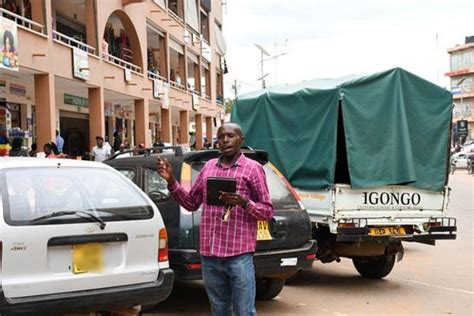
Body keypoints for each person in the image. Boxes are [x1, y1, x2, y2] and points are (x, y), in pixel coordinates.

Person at [157, 123, 273, 316]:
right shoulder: (209, 167)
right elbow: (191, 203)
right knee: (219, 310)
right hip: (210, 255)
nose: (225, 140)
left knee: (244, 311)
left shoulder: (253, 169)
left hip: (239, 254)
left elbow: (267, 211)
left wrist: (244, 203)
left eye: (230, 136)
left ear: (240, 140)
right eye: (221, 137)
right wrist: (171, 181)